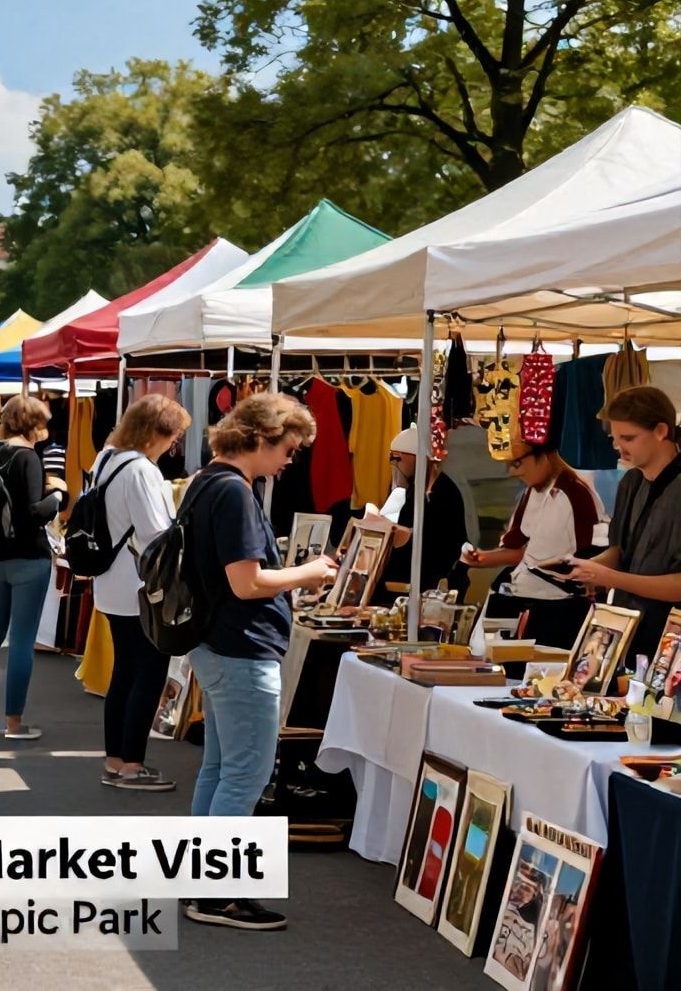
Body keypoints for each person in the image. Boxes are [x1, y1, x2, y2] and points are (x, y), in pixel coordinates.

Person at [181, 393, 338, 931]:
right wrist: (308, 572)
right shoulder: (234, 492)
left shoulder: (207, 480)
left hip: (217, 643)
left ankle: (201, 885)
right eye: (288, 448)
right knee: (244, 774)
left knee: (223, 768)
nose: (290, 460)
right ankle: (220, 894)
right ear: (261, 438)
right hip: (239, 647)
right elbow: (246, 583)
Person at [94, 394, 193, 791]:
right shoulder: (141, 470)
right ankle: (132, 764)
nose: (174, 446)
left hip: (112, 582)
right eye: (173, 437)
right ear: (156, 433)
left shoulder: (107, 459)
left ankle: (116, 759)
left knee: (125, 671)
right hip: (141, 585)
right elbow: (156, 533)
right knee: (147, 674)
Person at [0, 395, 66, 740]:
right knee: (21, 640)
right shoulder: (29, 458)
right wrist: (58, 497)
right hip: (26, 557)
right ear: (34, 425)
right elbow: (34, 512)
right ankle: (13, 723)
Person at [568, 385, 681, 658]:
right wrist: (585, 569)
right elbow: (620, 551)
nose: (618, 447)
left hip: (670, 641)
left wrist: (610, 577)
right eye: (614, 438)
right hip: (625, 629)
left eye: (628, 438)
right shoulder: (630, 482)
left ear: (661, 431)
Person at [461, 438, 601, 650]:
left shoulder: (576, 493)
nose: (512, 472)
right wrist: (483, 558)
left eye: (517, 463)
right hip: (520, 600)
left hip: (557, 610)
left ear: (543, 457)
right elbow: (520, 551)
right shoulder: (531, 492)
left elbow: (592, 558)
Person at [373, 424, 471, 603]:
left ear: (413, 457)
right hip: (418, 574)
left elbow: (432, 548)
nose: (395, 464)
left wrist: (397, 533)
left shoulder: (441, 493)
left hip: (428, 582)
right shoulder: (415, 489)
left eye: (397, 458)